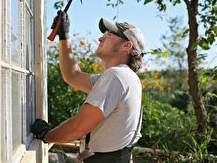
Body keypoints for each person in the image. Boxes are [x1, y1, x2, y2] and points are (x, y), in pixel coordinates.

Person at [31, 11, 145, 163]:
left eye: (109, 35)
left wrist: (46, 135)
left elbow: (77, 128)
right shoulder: (125, 77)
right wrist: (64, 36)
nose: (100, 38)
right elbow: (73, 75)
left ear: (126, 45)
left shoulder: (116, 76)